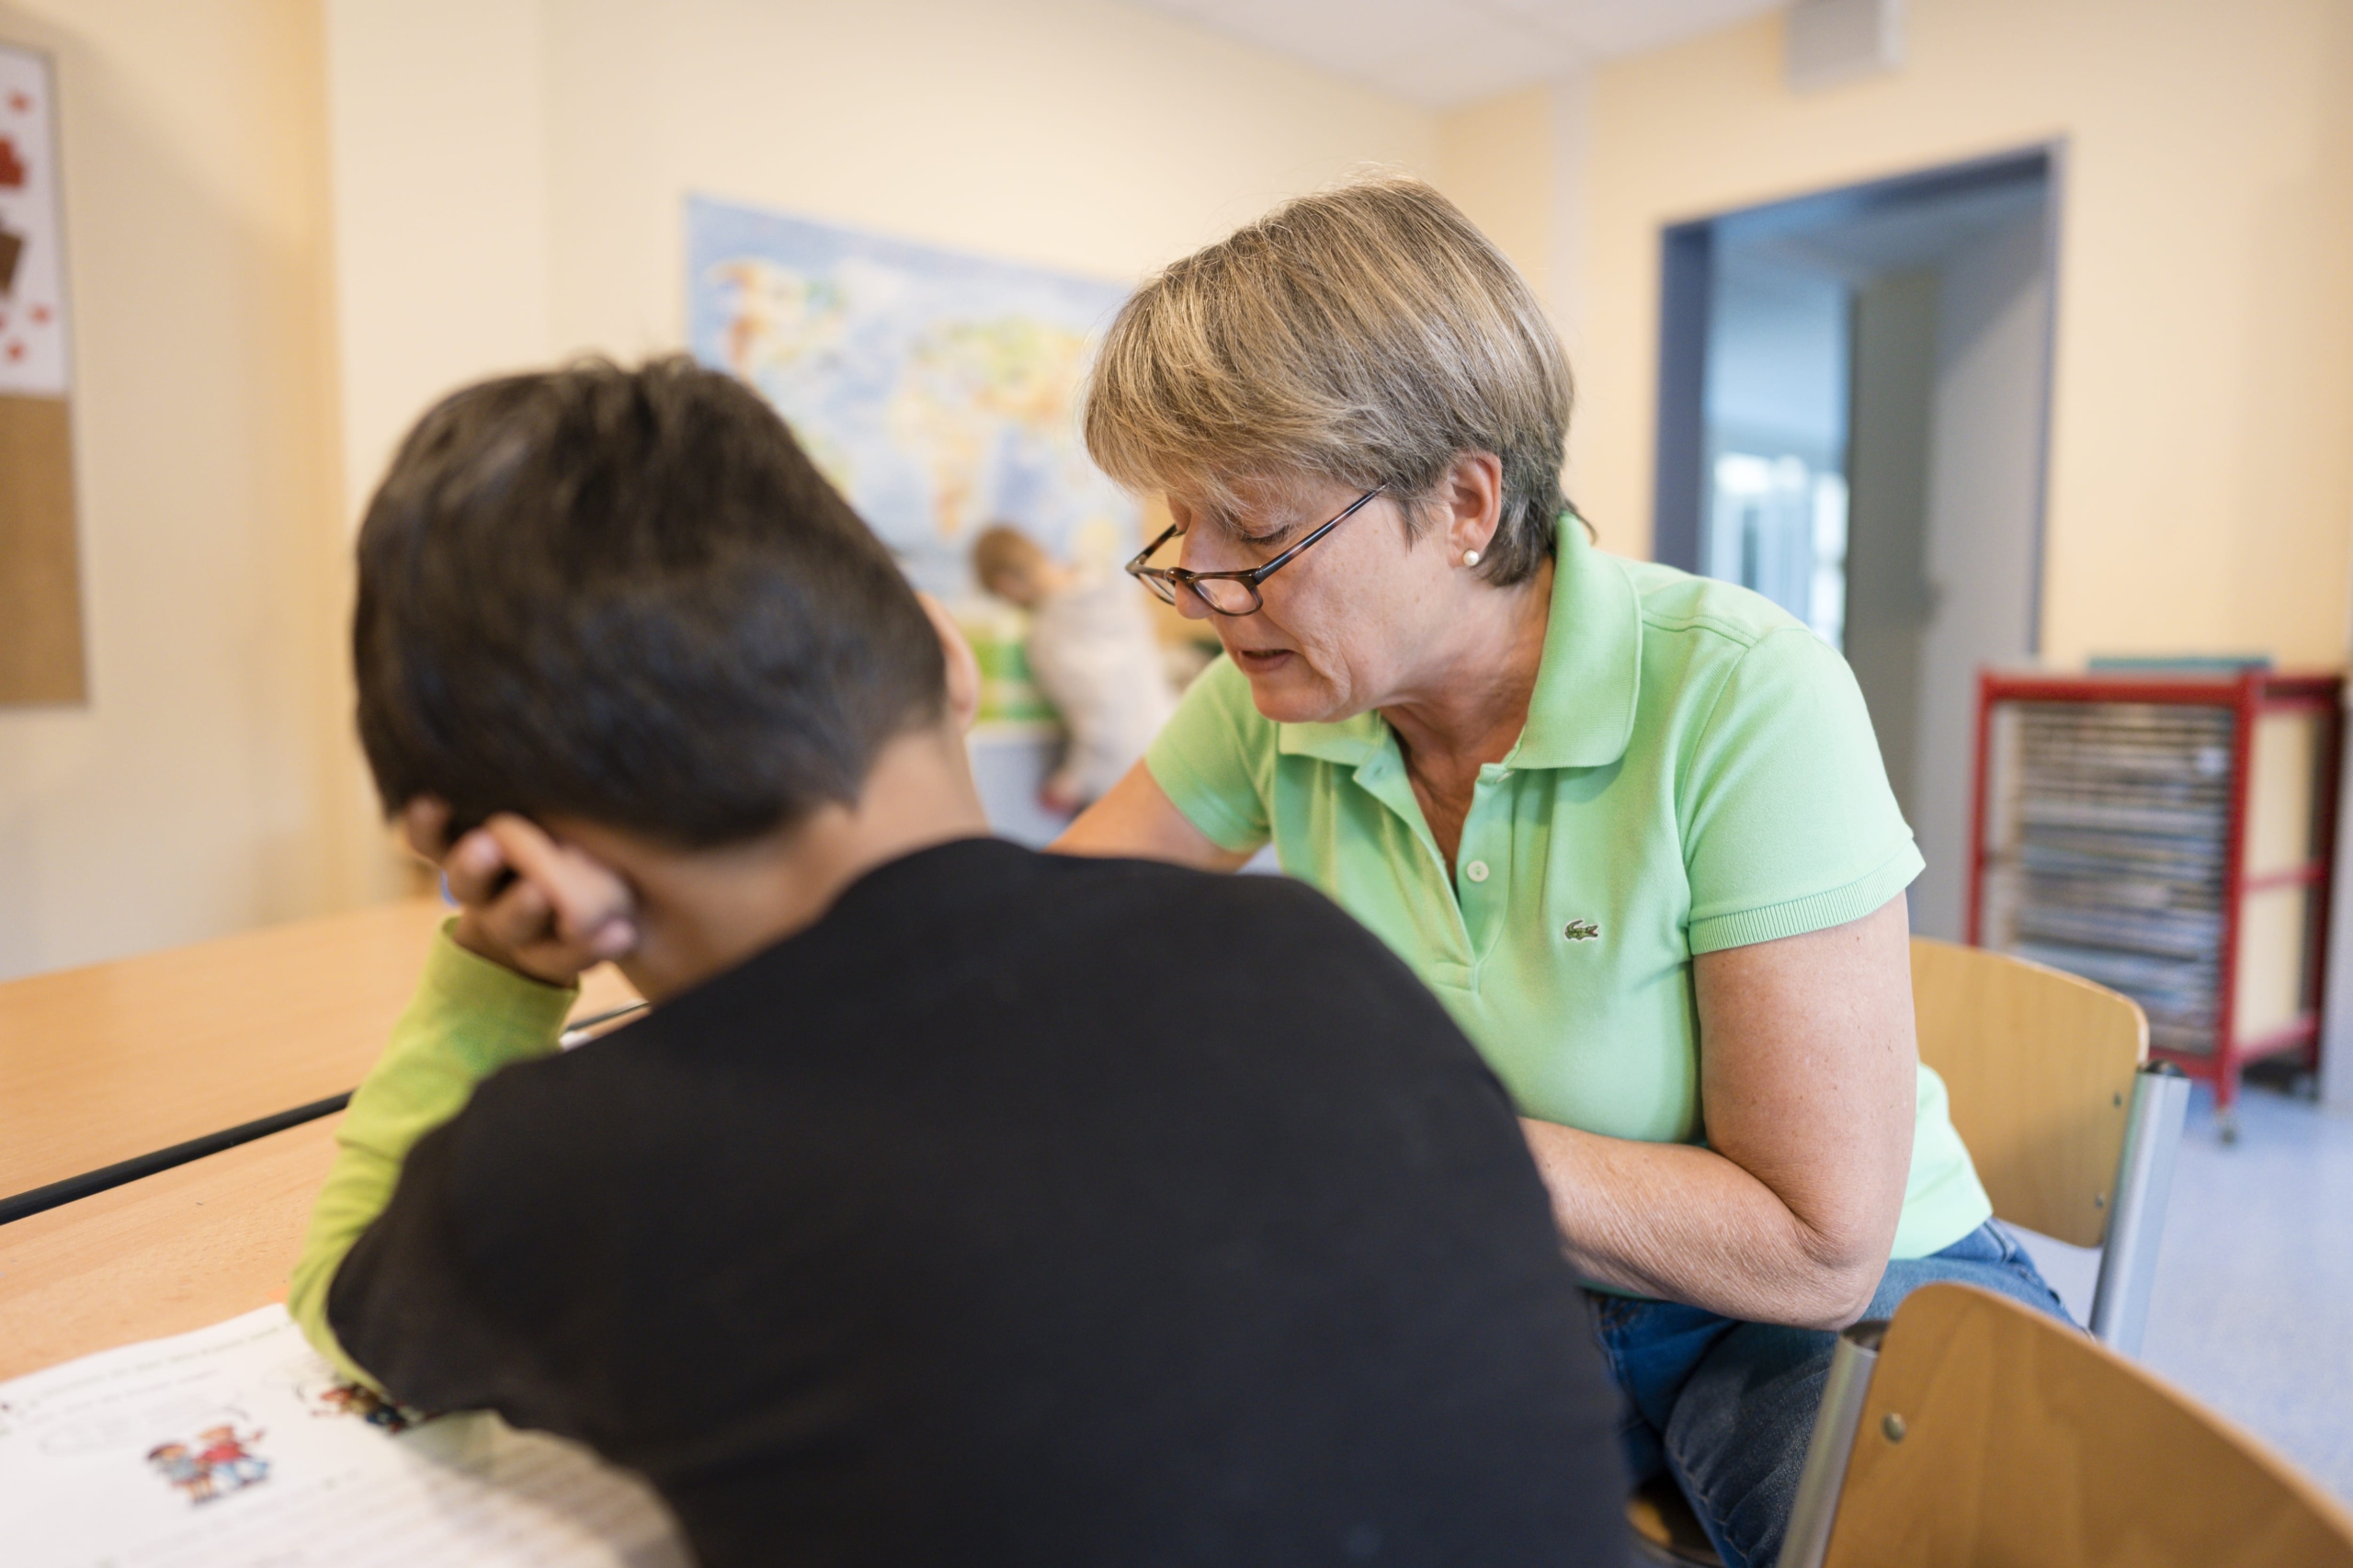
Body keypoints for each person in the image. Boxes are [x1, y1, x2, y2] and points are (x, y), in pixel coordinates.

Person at [286, 358, 1627, 1568]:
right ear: (942, 652)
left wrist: (495, 968)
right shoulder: (1308, 954)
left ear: (513, 857)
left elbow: (343, 1285)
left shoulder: (599, 1158)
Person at [1055, 176, 2072, 1568]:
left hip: (1826, 1303)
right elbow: (1045, 937)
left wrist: (1365, 1129)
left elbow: (1816, 1245)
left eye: (1259, 532)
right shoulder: (1283, 686)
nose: (1211, 592)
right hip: (1518, 1267)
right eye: (1185, 533)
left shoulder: (1739, 692)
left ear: (1465, 499)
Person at [971, 523, 1176, 813]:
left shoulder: (1051, 634)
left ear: (1006, 584)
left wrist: (1072, 782)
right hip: (1171, 749)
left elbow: (1102, 716)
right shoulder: (1113, 588)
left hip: (1121, 778)